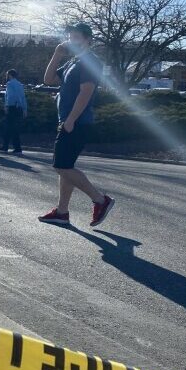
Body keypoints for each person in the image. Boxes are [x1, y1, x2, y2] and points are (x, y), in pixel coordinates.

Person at [38, 23, 114, 227]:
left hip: (77, 122)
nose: (72, 41)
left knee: (61, 166)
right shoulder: (73, 61)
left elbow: (86, 91)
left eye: (77, 37)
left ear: (89, 39)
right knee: (66, 167)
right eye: (70, 37)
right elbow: (48, 79)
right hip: (68, 121)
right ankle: (62, 212)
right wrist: (57, 53)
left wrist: (71, 119)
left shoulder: (90, 62)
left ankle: (100, 200)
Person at [0, 69, 26, 154]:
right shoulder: (19, 84)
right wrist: (24, 109)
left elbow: (10, 96)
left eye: (7, 75)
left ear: (10, 75)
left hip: (12, 108)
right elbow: (22, 97)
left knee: (8, 128)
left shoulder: (10, 84)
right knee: (13, 128)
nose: (6, 76)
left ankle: (10, 147)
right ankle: (8, 146)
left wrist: (7, 106)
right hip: (18, 108)